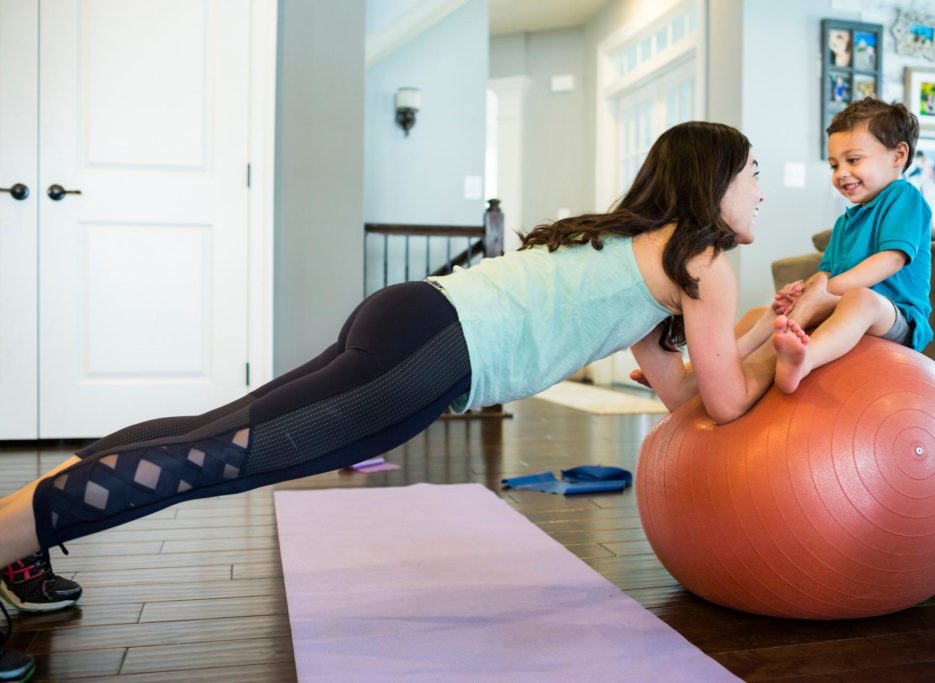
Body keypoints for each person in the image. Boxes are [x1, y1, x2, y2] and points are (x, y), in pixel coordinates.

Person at [0, 121, 837, 580]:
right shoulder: (707, 260)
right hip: (434, 354)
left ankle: (18, 540)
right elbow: (728, 403)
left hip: (414, 316)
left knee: (211, 431)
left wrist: (764, 326)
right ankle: (7, 541)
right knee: (224, 455)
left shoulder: (651, 254)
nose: (763, 187)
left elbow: (686, 395)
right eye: (754, 171)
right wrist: (786, 348)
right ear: (714, 182)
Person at [772, 98, 933, 394]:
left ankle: (805, 359)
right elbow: (827, 274)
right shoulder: (844, 223)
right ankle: (779, 338)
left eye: (853, 160)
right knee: (807, 290)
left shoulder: (904, 197)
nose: (841, 172)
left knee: (861, 298)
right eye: (835, 164)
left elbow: (891, 260)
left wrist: (827, 290)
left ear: (898, 155)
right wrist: (806, 289)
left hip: (897, 317)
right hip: (845, 307)